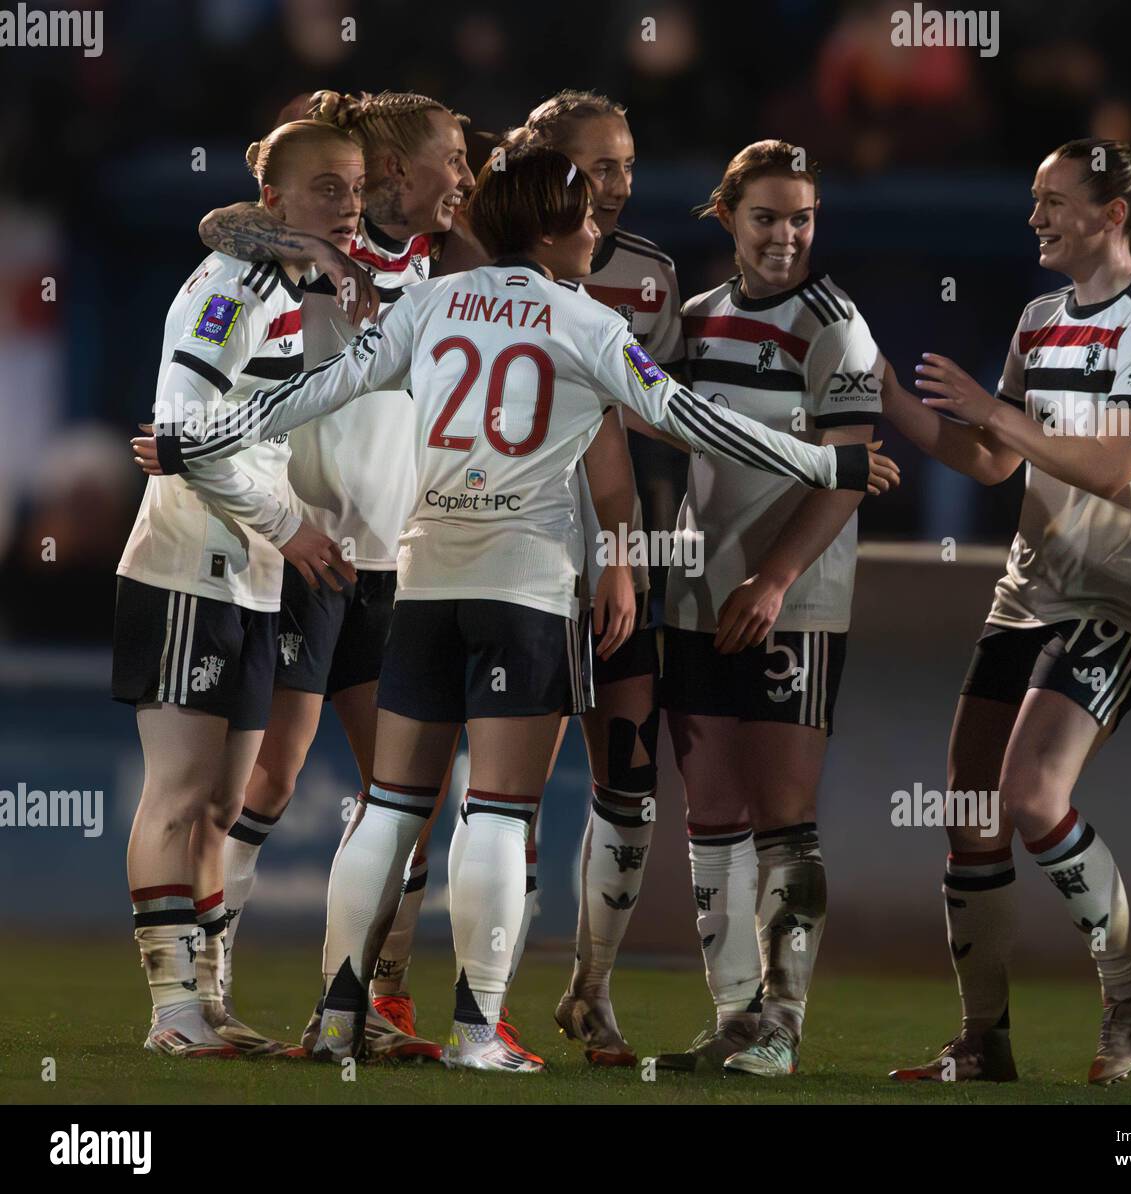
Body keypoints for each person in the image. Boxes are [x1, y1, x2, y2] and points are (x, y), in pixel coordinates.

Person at [133, 145, 897, 1071]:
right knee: (495, 811)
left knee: (387, 808)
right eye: (583, 221)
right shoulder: (584, 322)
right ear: (547, 229)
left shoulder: (428, 303)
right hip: (525, 589)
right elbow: (691, 416)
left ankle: (336, 1017)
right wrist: (827, 463)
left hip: (422, 583)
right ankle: (476, 1028)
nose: (595, 236)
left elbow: (309, 391)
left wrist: (197, 435)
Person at [882, 140, 1131, 1086]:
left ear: (1113, 215)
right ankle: (983, 1040)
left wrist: (998, 411)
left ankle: (1128, 989)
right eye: (1032, 199)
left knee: (1030, 796)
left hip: (1122, 597)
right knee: (970, 809)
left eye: (1054, 201)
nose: (1035, 218)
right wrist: (887, 396)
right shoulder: (1039, 318)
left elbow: (1113, 464)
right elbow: (992, 462)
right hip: (1029, 593)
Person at [192, 88, 476, 1060]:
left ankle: (353, 1006)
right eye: (451, 160)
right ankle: (200, 986)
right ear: (401, 171)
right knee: (266, 775)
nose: (465, 179)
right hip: (306, 550)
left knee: (406, 795)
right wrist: (311, 250)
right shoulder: (303, 260)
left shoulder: (444, 265)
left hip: (394, 562)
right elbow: (219, 219)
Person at [114, 118, 361, 1057]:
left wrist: (280, 533)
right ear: (275, 205)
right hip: (187, 563)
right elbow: (181, 428)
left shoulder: (290, 284)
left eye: (353, 187)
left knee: (223, 804)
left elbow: (231, 431)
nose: (345, 205)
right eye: (324, 189)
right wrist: (289, 525)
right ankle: (171, 1011)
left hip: (251, 574)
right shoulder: (237, 284)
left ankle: (209, 1002)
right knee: (175, 794)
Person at [646, 140, 891, 1077]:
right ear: (727, 219)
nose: (786, 236)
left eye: (803, 218)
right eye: (766, 217)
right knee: (711, 809)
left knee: (785, 813)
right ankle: (735, 1019)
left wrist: (776, 579)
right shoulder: (696, 321)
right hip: (699, 595)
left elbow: (848, 474)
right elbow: (650, 417)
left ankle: (782, 1025)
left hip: (795, 601)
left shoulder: (838, 326)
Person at [499, 89, 687, 1066]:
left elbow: (657, 426)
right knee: (504, 791)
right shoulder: (486, 269)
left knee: (628, 775)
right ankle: (446, 992)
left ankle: (590, 990)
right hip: (512, 552)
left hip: (618, 554)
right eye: (596, 165)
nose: (615, 185)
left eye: (624, 164)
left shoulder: (651, 274)